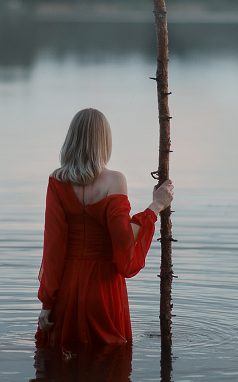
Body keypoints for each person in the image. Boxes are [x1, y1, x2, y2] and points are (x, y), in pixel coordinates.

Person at [35, 108, 174, 346]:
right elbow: (123, 241)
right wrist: (155, 206)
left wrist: (48, 304)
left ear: (72, 139)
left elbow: (53, 248)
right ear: (105, 141)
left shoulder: (57, 181)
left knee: (63, 364)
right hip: (104, 290)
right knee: (110, 367)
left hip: (67, 290)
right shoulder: (114, 181)